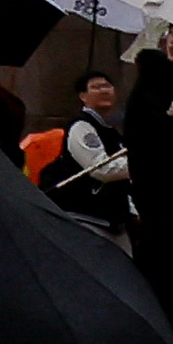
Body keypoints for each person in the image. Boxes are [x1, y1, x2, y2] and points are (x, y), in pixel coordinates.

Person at [40, 71, 139, 242]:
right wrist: (145, 165)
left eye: (107, 86)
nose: (103, 90)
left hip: (113, 220)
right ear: (83, 96)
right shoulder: (81, 127)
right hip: (86, 216)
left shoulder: (112, 132)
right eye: (95, 87)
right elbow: (101, 169)